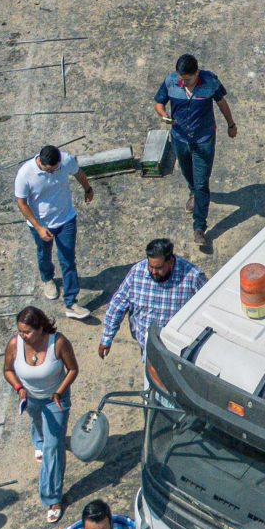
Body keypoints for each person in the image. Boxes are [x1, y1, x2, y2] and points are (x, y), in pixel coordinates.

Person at [154, 53, 236, 250]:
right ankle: (193, 193)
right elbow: (159, 103)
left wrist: (231, 125)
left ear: (197, 72)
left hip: (204, 139)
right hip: (180, 138)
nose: (185, 83)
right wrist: (164, 115)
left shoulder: (210, 82)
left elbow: (222, 103)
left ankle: (199, 227)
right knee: (187, 172)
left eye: (188, 79)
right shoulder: (171, 82)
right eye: (182, 79)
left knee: (201, 183)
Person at [5, 306, 79, 521]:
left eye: (27, 332)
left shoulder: (59, 343)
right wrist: (19, 389)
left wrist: (59, 391)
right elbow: (8, 369)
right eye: (20, 331)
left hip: (56, 399)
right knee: (37, 420)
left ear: (40, 328)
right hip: (30, 398)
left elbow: (73, 369)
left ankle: (52, 497)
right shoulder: (14, 344)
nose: (22, 335)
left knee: (53, 447)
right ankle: (38, 441)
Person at [15, 141, 97, 317]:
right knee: (44, 254)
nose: (53, 172)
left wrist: (88, 189)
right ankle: (47, 278)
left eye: (56, 168)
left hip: (66, 219)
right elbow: (21, 202)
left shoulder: (65, 161)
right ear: (41, 163)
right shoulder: (25, 174)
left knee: (68, 259)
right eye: (49, 170)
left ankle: (71, 303)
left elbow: (78, 173)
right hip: (42, 224)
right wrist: (38, 228)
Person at [99, 235, 204, 363]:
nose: (153, 272)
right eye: (151, 266)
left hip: (177, 352)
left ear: (170, 261)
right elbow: (118, 304)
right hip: (147, 348)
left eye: (158, 268)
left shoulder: (193, 276)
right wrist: (107, 337)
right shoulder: (137, 272)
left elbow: (208, 307)